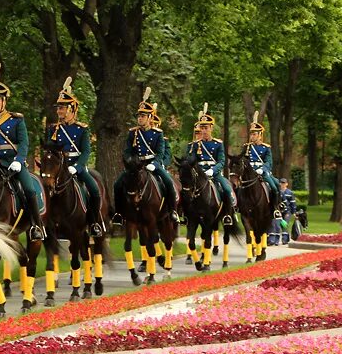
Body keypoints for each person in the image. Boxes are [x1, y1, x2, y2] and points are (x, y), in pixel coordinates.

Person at [0, 61, 44, 241]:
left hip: (13, 164)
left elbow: (24, 143)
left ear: (4, 101)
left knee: (28, 189)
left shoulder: (16, 120)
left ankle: (37, 226)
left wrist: (19, 161)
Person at [45, 76, 103, 237]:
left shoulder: (82, 129)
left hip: (76, 166)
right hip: (58, 167)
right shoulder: (53, 129)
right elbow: (50, 149)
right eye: (58, 108)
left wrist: (76, 167)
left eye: (62, 108)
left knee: (94, 190)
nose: (59, 111)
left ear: (71, 109)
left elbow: (85, 151)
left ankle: (94, 222)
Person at [112, 87, 179, 224]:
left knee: (168, 182)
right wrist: (129, 160)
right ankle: (119, 213)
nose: (140, 118)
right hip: (136, 165)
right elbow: (127, 150)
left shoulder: (157, 133)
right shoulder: (133, 133)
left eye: (142, 116)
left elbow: (160, 153)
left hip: (152, 164)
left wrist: (154, 164)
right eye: (139, 116)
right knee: (118, 184)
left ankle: (173, 211)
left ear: (149, 117)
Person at [187, 103, 236, 225]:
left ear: (211, 128)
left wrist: (213, 171)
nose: (203, 131)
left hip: (214, 173)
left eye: (206, 128)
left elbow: (222, 161)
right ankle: (185, 214)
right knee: (186, 189)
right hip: (199, 173)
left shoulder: (218, 144)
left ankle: (228, 215)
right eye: (202, 128)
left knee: (227, 188)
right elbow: (191, 160)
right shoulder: (195, 145)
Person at [240, 111, 282, 218]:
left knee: (274, 185)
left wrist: (262, 169)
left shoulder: (266, 148)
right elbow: (243, 160)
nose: (252, 136)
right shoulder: (247, 147)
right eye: (251, 134)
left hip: (262, 171)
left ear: (260, 135)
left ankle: (275, 208)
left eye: (254, 134)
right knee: (238, 186)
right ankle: (238, 206)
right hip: (250, 172)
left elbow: (269, 162)